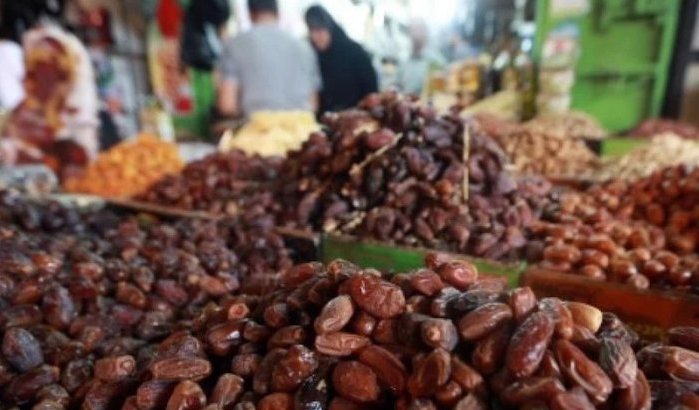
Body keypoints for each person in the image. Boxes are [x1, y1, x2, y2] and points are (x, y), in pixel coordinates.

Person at [217, 0, 320, 118]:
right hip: (305, 130)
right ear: (277, 13)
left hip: (258, 131)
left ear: (250, 13)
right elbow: (313, 104)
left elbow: (227, 105)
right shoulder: (304, 47)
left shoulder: (235, 44)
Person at [304, 5, 377, 114]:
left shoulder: (355, 52)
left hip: (358, 121)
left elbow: (371, 92)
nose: (315, 37)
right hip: (325, 124)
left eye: (319, 30)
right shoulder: (313, 56)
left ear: (329, 27)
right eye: (311, 31)